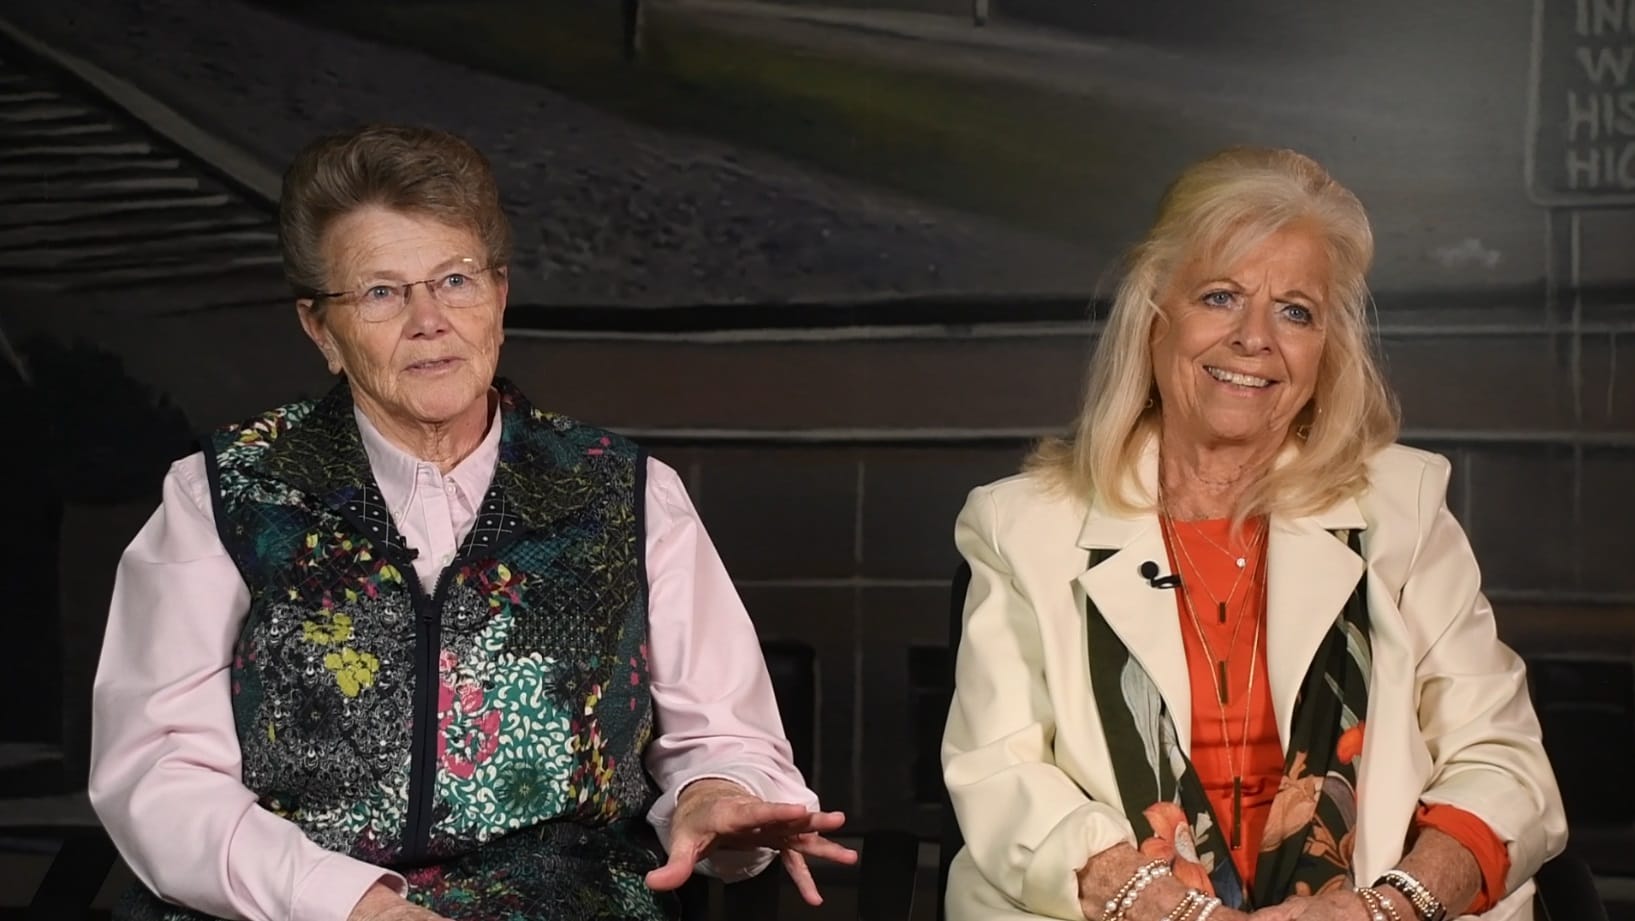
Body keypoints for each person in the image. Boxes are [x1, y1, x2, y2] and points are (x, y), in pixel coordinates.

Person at [88, 123, 856, 921]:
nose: (429, 320)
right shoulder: (225, 492)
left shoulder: (623, 491)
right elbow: (157, 770)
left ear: (498, 295)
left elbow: (725, 733)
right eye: (381, 292)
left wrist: (715, 795)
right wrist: (350, 903)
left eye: (454, 280)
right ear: (322, 329)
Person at [941, 147, 1565, 921]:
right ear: (1153, 316)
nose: (1253, 337)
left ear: (1325, 349)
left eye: (1295, 311)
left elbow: (1501, 761)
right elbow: (1000, 773)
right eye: (1220, 296)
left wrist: (1388, 908)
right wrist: (1161, 904)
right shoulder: (1021, 523)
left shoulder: (1401, 505)